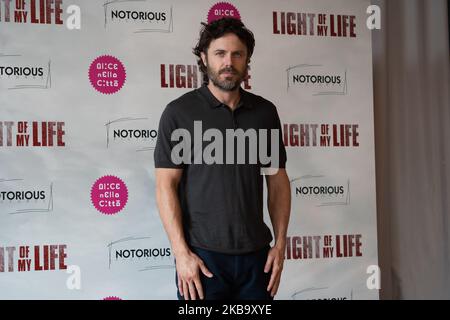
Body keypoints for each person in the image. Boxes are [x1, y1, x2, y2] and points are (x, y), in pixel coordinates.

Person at [154, 17, 291, 300]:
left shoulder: (264, 113)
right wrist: (182, 254)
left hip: (257, 260)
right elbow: (165, 185)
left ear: (246, 60)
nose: (228, 62)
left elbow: (277, 181)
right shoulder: (179, 113)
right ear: (204, 58)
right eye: (220, 53)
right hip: (203, 261)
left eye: (237, 54)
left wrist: (280, 245)